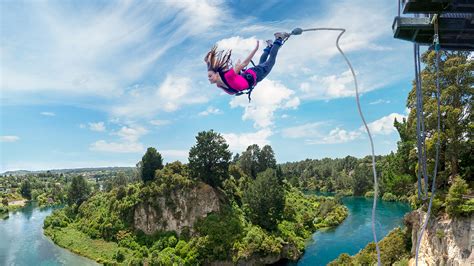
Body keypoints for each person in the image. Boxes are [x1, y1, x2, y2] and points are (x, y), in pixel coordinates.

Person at [205, 32, 290, 97]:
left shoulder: (228, 76)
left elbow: (245, 63)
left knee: (271, 60)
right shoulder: (219, 85)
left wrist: (255, 50)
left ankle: (279, 38)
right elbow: (237, 86)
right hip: (253, 76)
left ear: (216, 74)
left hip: (256, 74)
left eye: (210, 76)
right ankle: (269, 46)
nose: (209, 79)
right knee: (262, 62)